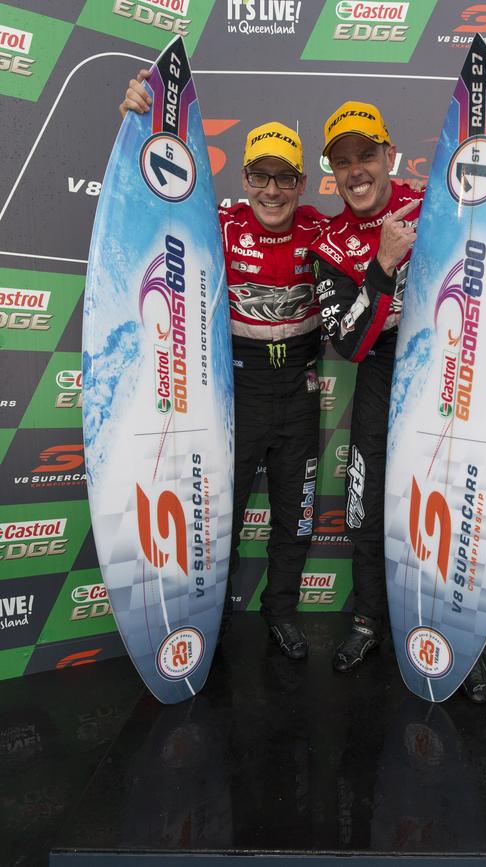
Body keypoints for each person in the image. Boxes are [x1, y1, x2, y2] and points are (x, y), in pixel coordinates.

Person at [311, 101, 486, 701]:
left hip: (446, 374)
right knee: (366, 508)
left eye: (366, 154)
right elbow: (346, 342)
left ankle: (457, 643)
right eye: (343, 162)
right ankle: (370, 622)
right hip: (378, 372)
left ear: (389, 155)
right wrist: (383, 266)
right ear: (332, 173)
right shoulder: (330, 243)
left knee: (450, 501)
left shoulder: (440, 199)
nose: (356, 170)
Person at [120, 75, 328, 660]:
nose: (271, 189)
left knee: (298, 513)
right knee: (218, 514)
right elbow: (150, 202)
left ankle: (280, 610)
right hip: (235, 385)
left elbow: (409, 216)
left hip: (301, 387)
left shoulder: (320, 228)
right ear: (244, 179)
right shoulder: (217, 224)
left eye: (284, 177)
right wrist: (138, 120)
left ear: (301, 183)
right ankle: (213, 616)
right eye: (260, 175)